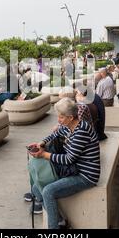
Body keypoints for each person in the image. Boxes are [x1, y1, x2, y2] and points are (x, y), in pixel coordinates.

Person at [28, 98, 100, 229]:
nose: (58, 120)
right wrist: (41, 143)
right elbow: (55, 134)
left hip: (85, 176)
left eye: (61, 117)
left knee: (48, 191)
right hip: (72, 170)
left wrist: (44, 155)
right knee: (35, 188)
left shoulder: (81, 131)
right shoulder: (69, 127)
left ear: (71, 117)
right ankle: (60, 221)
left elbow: (68, 159)